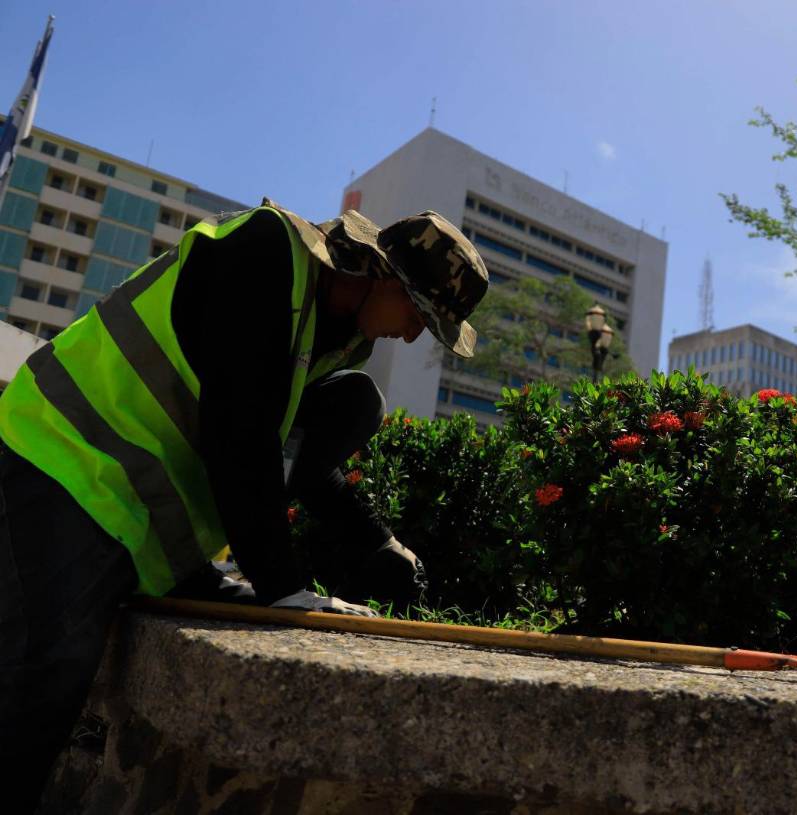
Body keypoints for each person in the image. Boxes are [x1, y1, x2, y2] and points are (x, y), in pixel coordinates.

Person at [0, 198, 489, 811]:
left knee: (355, 402)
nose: (415, 334)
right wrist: (282, 585)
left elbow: (299, 461)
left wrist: (377, 542)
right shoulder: (265, 252)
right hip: (66, 454)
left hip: (132, 503)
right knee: (41, 678)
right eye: (418, 313)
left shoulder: (337, 335)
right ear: (380, 272)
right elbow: (240, 437)